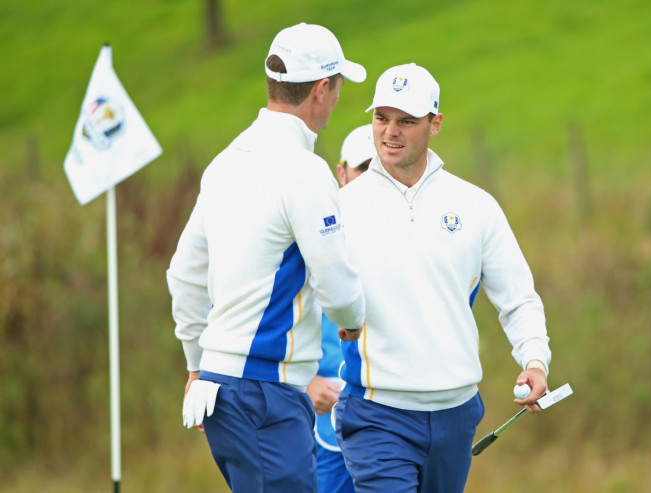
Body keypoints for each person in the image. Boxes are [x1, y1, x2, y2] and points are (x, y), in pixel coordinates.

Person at [166, 23, 367, 493]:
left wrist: (198, 364)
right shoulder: (305, 172)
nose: (336, 99)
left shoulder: (226, 161)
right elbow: (337, 286)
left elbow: (184, 276)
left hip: (222, 387)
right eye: (337, 88)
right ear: (321, 90)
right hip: (263, 394)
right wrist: (353, 321)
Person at [334, 63, 552, 492]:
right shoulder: (340, 207)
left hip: (456, 414)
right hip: (377, 414)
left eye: (406, 121)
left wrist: (534, 360)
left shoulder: (475, 205)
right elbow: (296, 291)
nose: (390, 132)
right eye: (382, 118)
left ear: (435, 124)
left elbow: (517, 297)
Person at [307, 124, 374, 493]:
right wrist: (306, 383)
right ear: (342, 172)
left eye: (377, 167)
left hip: (393, 413)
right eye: (362, 168)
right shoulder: (314, 231)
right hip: (326, 416)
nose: (369, 178)